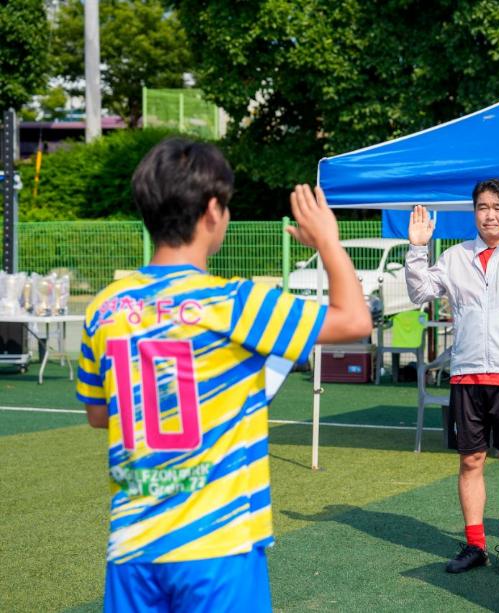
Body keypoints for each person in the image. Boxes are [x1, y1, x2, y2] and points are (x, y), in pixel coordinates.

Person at [75, 138, 372, 612]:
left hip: (131, 546)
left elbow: (97, 414)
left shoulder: (105, 307)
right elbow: (355, 320)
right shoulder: (233, 303)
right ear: (213, 210)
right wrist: (328, 242)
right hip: (218, 545)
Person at [405, 178, 499, 578]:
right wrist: (417, 248)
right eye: (483, 207)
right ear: (475, 212)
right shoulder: (454, 257)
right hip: (467, 373)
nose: (490, 214)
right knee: (470, 460)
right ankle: (475, 544)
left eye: (498, 207)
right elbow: (420, 294)